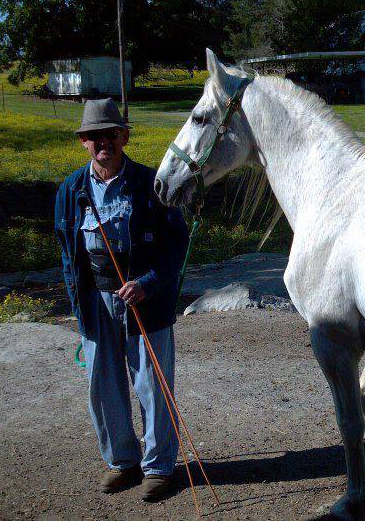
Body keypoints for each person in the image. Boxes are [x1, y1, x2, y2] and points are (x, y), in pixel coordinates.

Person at [54, 98, 188, 501]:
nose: (102, 143)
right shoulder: (71, 190)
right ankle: (122, 462)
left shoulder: (152, 186)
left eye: (110, 135)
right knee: (103, 385)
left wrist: (148, 282)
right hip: (96, 301)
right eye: (94, 137)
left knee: (152, 384)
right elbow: (67, 253)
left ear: (123, 137)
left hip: (145, 301)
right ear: (84, 143)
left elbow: (176, 245)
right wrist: (78, 304)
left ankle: (159, 468)